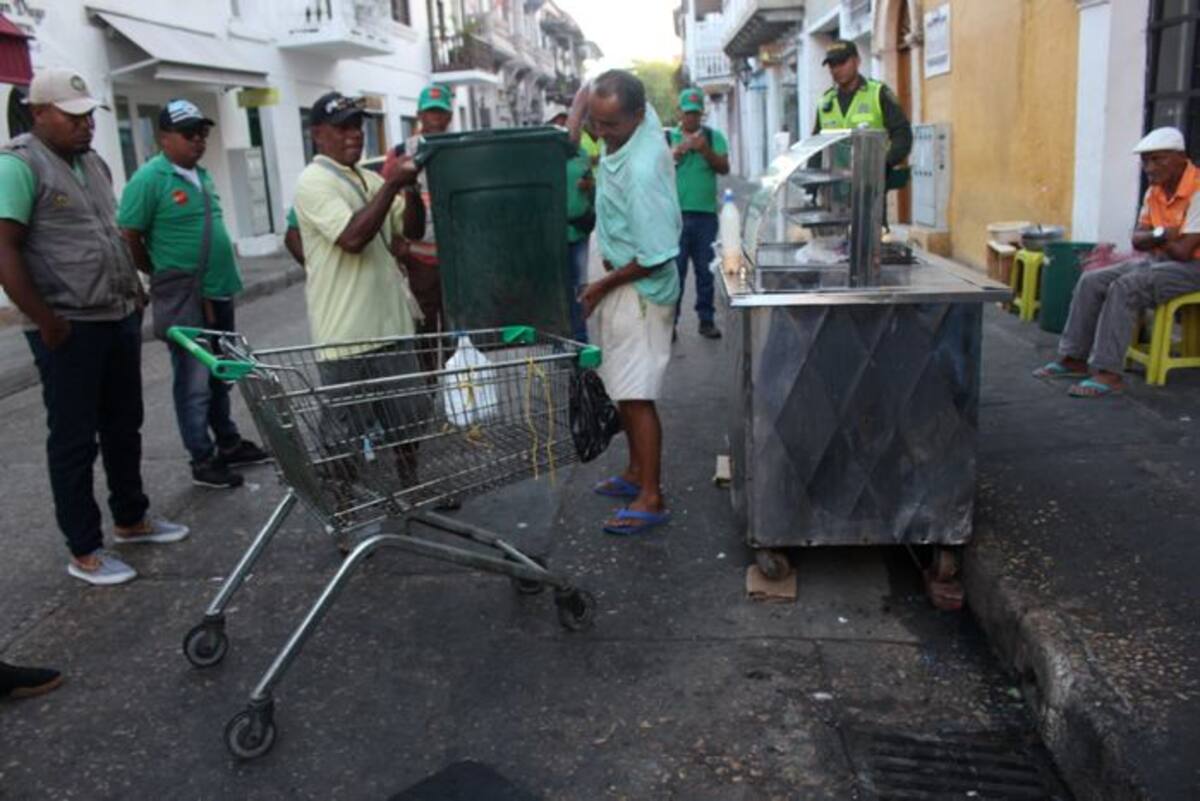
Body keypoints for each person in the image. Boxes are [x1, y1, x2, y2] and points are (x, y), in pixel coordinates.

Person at [0, 67, 187, 586]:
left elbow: (109, 233)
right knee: (75, 439)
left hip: (116, 314)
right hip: (68, 324)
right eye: (73, 116)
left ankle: (131, 518)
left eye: (89, 116)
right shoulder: (18, 165)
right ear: (40, 114)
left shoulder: (93, 162)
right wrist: (46, 322)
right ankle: (84, 549)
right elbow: (5, 249)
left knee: (124, 426)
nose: (86, 125)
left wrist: (134, 290)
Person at [118, 99, 269, 489]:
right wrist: (158, 272)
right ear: (164, 138)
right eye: (189, 134)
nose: (198, 141)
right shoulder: (149, 179)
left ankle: (228, 442)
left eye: (202, 133)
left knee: (221, 373)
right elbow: (129, 235)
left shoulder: (201, 175)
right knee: (194, 382)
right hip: (184, 297)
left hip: (217, 292)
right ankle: (202, 458)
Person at [566, 70, 680, 536]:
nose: (599, 132)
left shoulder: (643, 170)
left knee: (636, 395)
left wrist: (598, 288)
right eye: (595, 121)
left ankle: (651, 496)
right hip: (616, 272)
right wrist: (578, 118)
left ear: (638, 115)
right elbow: (588, 92)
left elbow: (656, 257)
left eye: (610, 125)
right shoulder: (632, 115)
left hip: (639, 289)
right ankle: (634, 472)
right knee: (621, 384)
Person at [293, 92, 425, 488]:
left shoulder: (369, 179)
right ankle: (344, 509)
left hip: (393, 329)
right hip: (347, 337)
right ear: (318, 134)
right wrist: (393, 185)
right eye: (342, 127)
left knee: (408, 423)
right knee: (343, 439)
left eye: (357, 126)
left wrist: (411, 188)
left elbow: (412, 230)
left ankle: (411, 491)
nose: (354, 134)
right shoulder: (313, 182)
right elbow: (352, 238)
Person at [1033, 127, 1200, 397]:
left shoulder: (1197, 189)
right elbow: (1137, 240)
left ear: (1180, 158)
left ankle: (1108, 372)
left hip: (1193, 267)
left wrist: (1153, 238)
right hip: (1160, 259)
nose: (1149, 168)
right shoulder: (1154, 191)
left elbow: (1183, 252)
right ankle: (1073, 358)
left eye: (1157, 159)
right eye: (1145, 161)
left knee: (1127, 286)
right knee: (1092, 280)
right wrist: (1161, 235)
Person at [385, 84, 455, 338]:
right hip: (418, 261)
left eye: (440, 112)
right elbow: (385, 199)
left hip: (456, 261)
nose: (435, 118)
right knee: (424, 331)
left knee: (457, 331)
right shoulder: (400, 153)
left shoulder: (460, 149)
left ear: (449, 117)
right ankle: (428, 367)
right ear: (419, 115)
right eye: (430, 112)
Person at [813, 39, 912, 208]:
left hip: (870, 190)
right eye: (832, 65)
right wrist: (812, 187)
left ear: (857, 61)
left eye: (842, 63)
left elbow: (902, 134)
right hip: (835, 191)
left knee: (868, 225)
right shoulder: (825, 102)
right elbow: (816, 145)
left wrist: (883, 165)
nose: (836, 69)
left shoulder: (878, 93)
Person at [668, 87, 729, 340]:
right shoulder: (668, 137)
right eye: (687, 113)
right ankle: (669, 324)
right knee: (675, 273)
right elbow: (656, 172)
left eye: (695, 113)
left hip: (706, 216)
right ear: (679, 113)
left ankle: (706, 320)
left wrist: (705, 150)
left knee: (705, 272)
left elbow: (724, 168)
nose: (691, 118)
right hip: (676, 217)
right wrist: (676, 153)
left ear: (702, 113)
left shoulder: (713, 137)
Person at [547, 103, 596, 343]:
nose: (562, 126)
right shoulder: (543, 156)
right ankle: (559, 339)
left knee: (579, 287)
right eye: (556, 122)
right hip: (553, 234)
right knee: (557, 289)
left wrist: (590, 186)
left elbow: (592, 187)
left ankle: (580, 338)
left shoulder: (581, 154)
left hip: (579, 232)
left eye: (565, 121)